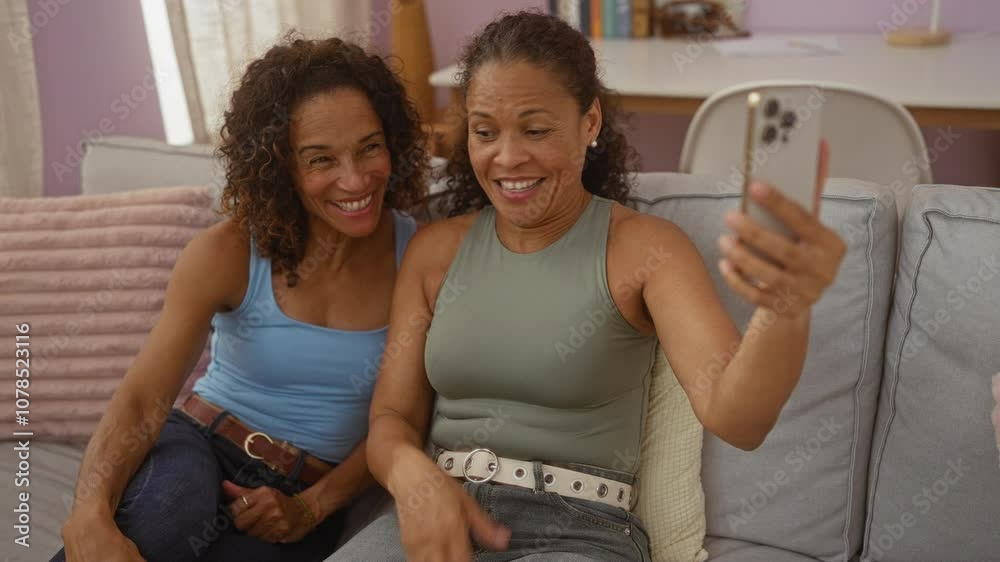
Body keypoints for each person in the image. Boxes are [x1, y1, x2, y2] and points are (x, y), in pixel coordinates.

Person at [329, 11, 846, 562]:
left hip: (578, 533)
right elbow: (392, 420)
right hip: (437, 519)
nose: (507, 158)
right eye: (485, 131)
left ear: (590, 122)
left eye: (535, 129)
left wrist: (785, 307)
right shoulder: (435, 252)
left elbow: (737, 419)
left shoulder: (647, 250)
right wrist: (411, 474)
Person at [53, 35, 428, 562]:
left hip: (304, 497)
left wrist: (311, 508)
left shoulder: (422, 257)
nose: (354, 178)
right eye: (321, 159)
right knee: (166, 515)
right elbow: (143, 398)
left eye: (369, 146)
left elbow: (407, 418)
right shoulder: (228, 250)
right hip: (198, 446)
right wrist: (89, 511)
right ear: (283, 166)